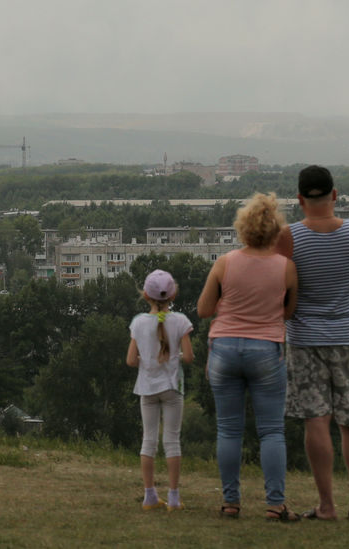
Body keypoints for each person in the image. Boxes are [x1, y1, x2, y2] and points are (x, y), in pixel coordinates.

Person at [275, 165, 349, 522]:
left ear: (300, 199)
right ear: (334, 195)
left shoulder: (288, 237)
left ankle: (327, 506)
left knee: (316, 420)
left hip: (305, 340)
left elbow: (283, 285)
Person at [197, 192, 299, 521]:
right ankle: (275, 504)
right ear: (275, 231)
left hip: (224, 348)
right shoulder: (286, 268)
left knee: (228, 430)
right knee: (271, 431)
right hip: (266, 350)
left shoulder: (225, 263)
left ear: (242, 228)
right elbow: (289, 312)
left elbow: (203, 310)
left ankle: (230, 502)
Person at [126, 269, 194, 511]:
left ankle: (149, 495)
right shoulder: (181, 321)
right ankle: (174, 497)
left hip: (147, 388)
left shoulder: (138, 323)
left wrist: (147, 359)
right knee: (172, 440)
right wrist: (175, 355)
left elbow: (131, 360)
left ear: (145, 295)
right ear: (173, 294)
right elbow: (188, 357)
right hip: (173, 387)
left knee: (149, 440)